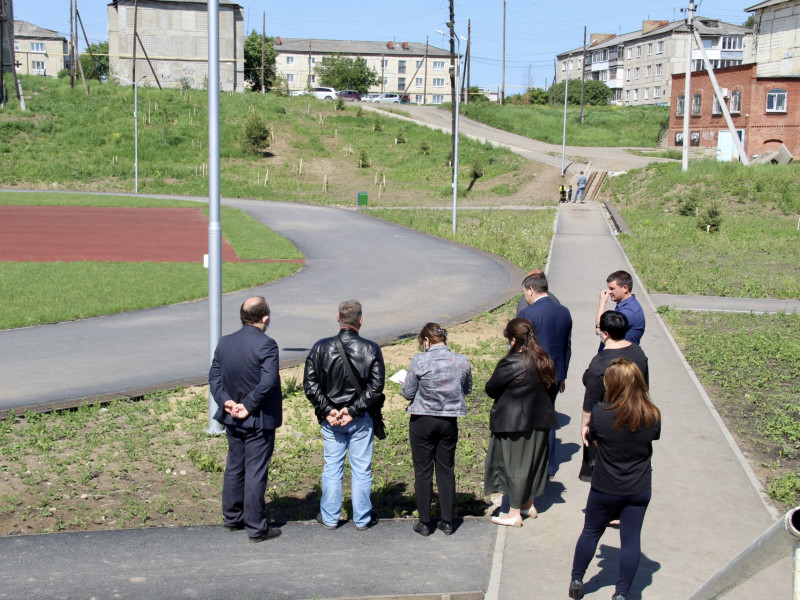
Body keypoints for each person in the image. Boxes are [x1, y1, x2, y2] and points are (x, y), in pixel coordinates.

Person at [568, 359, 661, 600]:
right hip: (638, 486)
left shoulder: (600, 414)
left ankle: (577, 580)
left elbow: (595, 440)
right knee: (631, 540)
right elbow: (651, 439)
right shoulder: (652, 414)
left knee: (590, 532)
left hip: (605, 485)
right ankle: (621, 594)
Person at [304, 300, 385, 531]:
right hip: (359, 419)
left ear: (337, 318)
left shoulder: (320, 347)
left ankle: (329, 517)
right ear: (360, 320)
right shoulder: (370, 349)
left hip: (331, 420)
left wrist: (328, 410)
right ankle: (362, 518)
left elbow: (310, 384)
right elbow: (375, 387)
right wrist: (353, 410)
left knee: (332, 467)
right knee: (361, 468)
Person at [208, 296, 283, 543]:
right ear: (266, 318)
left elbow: (215, 376)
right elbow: (268, 381)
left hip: (232, 418)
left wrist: (226, 401)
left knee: (234, 467)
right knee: (255, 472)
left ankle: (232, 518)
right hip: (258, 418)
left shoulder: (225, 342)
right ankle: (256, 527)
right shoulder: (267, 345)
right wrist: (247, 406)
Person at [484, 318, 557, 527]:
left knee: (514, 466)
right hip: (540, 420)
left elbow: (491, 388)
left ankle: (513, 513)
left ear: (514, 339)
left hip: (514, 422)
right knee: (532, 464)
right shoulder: (544, 358)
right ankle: (527, 505)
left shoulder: (512, 362)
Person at [401, 323, 472, 536]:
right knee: (446, 469)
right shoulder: (461, 360)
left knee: (423, 471)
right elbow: (466, 389)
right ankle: (447, 521)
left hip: (423, 419)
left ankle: (424, 522)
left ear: (426, 341)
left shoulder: (420, 360)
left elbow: (408, 391)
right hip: (449, 420)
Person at [518, 271, 572, 479]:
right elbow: (567, 346)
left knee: (530, 420)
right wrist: (562, 375)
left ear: (532, 289)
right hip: (556, 374)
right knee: (548, 417)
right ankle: (549, 466)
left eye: (525, 292)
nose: (525, 297)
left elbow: (520, 348)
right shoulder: (564, 311)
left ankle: (533, 466)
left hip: (533, 375)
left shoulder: (527, 314)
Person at [582, 311, 649, 440]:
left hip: (609, 420)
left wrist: (585, 426)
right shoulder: (639, 352)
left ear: (606, 334)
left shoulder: (600, 361)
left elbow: (590, 400)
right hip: (635, 414)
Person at [595, 270, 645, 348]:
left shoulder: (628, 311)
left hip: (620, 357)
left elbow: (601, 328)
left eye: (612, 288)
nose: (609, 292)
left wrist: (602, 302)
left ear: (625, 288)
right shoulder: (626, 306)